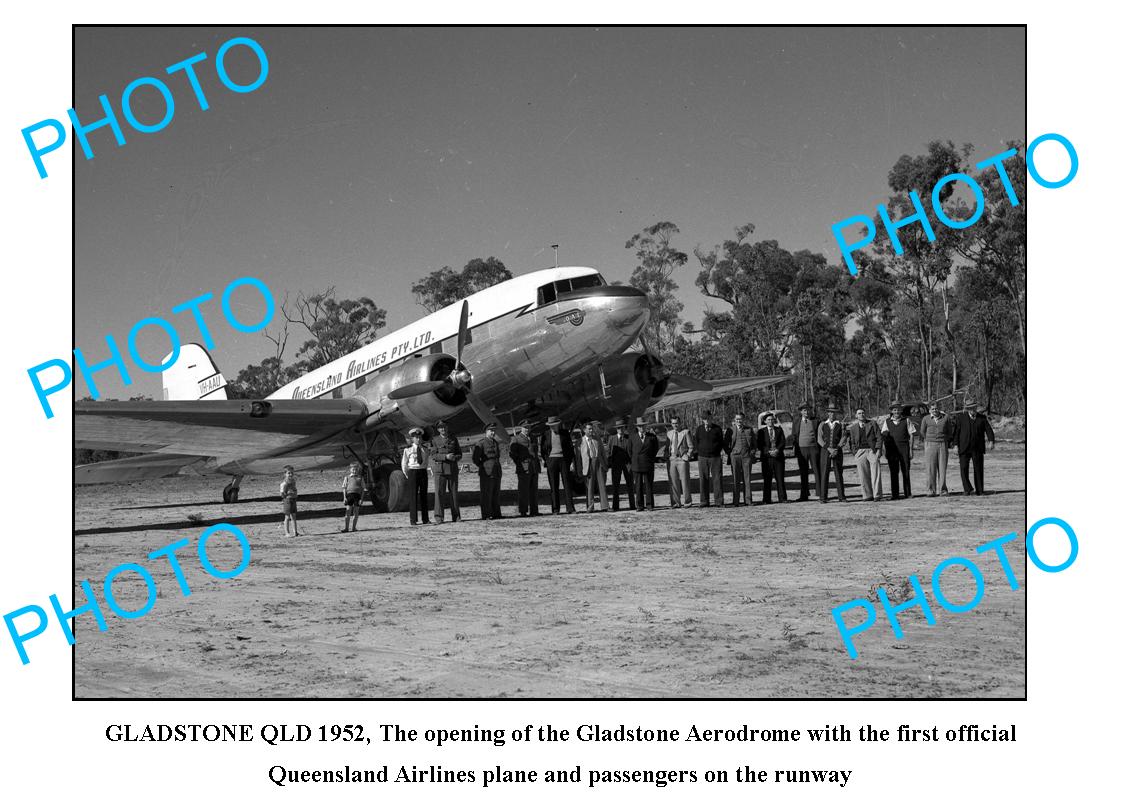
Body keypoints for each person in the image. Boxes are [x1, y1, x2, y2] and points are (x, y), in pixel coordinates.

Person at [949, 401, 995, 495]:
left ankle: (979, 490)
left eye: (974, 408)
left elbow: (988, 430)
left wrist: (991, 441)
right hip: (964, 447)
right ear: (967, 409)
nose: (972, 409)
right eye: (970, 408)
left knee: (978, 469)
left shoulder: (982, 418)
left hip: (977, 448)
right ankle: (967, 489)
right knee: (963, 468)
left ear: (976, 408)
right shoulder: (961, 418)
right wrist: (955, 446)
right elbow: (956, 433)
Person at [540, 416, 575, 514]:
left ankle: (570, 508)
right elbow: (542, 449)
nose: (553, 427)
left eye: (554, 425)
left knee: (567, 484)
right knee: (554, 486)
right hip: (552, 460)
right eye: (551, 426)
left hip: (563, 459)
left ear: (557, 425)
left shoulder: (565, 433)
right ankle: (555, 509)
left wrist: (571, 461)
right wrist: (546, 460)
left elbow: (570, 447)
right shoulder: (545, 435)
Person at [881, 403, 916, 500]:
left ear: (901, 411)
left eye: (898, 410)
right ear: (892, 411)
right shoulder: (887, 422)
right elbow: (884, 437)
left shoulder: (906, 420)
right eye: (894, 410)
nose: (896, 412)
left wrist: (911, 450)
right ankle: (895, 494)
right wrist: (885, 450)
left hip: (904, 448)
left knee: (906, 471)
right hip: (892, 450)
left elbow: (912, 435)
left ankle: (908, 493)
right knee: (893, 472)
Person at [847, 408, 883, 501]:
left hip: (872, 451)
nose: (861, 415)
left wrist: (878, 450)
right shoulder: (853, 428)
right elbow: (851, 442)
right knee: (863, 475)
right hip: (860, 452)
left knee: (875, 473)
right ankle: (867, 495)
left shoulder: (872, 423)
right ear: (856, 415)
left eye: (863, 413)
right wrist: (855, 452)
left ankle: (877, 495)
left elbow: (879, 437)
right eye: (859, 413)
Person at [430, 420, 462, 523]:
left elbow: (459, 454)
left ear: (447, 427)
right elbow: (433, 455)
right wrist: (445, 457)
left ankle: (456, 516)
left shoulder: (453, 439)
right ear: (438, 429)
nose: (443, 429)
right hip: (440, 470)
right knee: (439, 493)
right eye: (440, 428)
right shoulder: (434, 440)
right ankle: (439, 517)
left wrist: (454, 457)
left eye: (444, 427)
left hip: (452, 469)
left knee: (454, 493)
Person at [918, 404, 952, 497]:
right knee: (930, 468)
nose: (935, 410)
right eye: (932, 409)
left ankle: (943, 490)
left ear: (939, 409)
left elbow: (950, 431)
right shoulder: (926, 419)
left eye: (936, 408)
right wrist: (928, 439)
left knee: (942, 468)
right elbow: (922, 431)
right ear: (929, 410)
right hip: (930, 444)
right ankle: (930, 490)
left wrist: (945, 439)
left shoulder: (946, 418)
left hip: (942, 444)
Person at [694, 410, 726, 507]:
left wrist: (717, 451)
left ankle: (719, 501)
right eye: (704, 419)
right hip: (702, 457)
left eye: (708, 418)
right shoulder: (699, 429)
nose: (706, 421)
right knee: (703, 479)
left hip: (715, 457)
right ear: (702, 420)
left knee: (717, 479)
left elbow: (721, 442)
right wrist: (700, 451)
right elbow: (696, 442)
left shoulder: (717, 429)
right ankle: (704, 501)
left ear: (711, 418)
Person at [817, 403, 847, 503]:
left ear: (836, 413)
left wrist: (837, 448)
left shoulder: (841, 424)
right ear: (827, 413)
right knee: (824, 473)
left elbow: (843, 437)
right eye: (830, 412)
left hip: (837, 451)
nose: (832, 414)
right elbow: (819, 439)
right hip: (825, 451)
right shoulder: (822, 424)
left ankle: (841, 497)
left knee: (838, 473)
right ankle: (823, 497)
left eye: (834, 412)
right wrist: (828, 449)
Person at [472, 422, 504, 519]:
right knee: (486, 494)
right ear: (486, 431)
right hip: (487, 472)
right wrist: (483, 466)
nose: (493, 433)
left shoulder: (495, 443)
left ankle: (496, 514)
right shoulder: (481, 443)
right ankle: (486, 514)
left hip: (496, 471)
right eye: (491, 431)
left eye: (494, 431)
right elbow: (475, 459)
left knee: (496, 493)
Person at [791, 403, 821, 502]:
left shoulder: (816, 421)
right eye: (804, 410)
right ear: (801, 412)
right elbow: (794, 435)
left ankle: (821, 493)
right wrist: (794, 448)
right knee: (803, 472)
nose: (806, 412)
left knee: (817, 470)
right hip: (801, 449)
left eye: (808, 410)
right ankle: (804, 495)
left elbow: (820, 435)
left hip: (813, 448)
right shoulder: (796, 421)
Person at [724, 413, 756, 507]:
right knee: (735, 479)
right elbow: (725, 443)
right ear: (734, 420)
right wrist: (730, 453)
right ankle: (736, 501)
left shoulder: (749, 429)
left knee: (747, 479)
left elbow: (754, 443)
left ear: (743, 419)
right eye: (737, 419)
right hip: (735, 457)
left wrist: (752, 453)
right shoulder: (730, 430)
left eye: (740, 419)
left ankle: (748, 500)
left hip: (746, 456)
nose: (739, 421)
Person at [401, 427, 430, 525]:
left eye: (419, 437)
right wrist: (407, 474)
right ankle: (413, 520)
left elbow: (426, 461)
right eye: (416, 437)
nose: (418, 439)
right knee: (413, 496)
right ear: (412, 439)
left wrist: (424, 469)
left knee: (424, 496)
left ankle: (425, 519)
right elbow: (404, 464)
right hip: (413, 472)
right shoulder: (408, 450)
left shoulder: (425, 449)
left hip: (422, 471)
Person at [509, 425, 541, 517]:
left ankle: (534, 510)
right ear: (521, 428)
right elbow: (512, 453)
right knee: (523, 490)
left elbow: (535, 451)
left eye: (529, 428)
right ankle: (523, 511)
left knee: (534, 490)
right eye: (525, 428)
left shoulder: (533, 438)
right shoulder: (516, 439)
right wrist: (519, 462)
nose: (527, 430)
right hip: (524, 467)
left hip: (534, 467)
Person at [756, 412, 788, 503]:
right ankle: (766, 499)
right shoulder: (761, 431)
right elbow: (760, 444)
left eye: (772, 419)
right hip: (767, 458)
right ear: (765, 421)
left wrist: (777, 450)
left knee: (780, 478)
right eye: (768, 420)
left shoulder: (779, 430)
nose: (770, 421)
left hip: (778, 457)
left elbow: (783, 442)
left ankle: (783, 498)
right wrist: (768, 452)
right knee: (767, 479)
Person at [578, 422, 610, 512]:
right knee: (590, 486)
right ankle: (590, 507)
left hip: (599, 462)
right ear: (584, 430)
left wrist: (605, 464)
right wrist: (579, 469)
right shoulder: (580, 441)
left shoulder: (597, 439)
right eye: (589, 429)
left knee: (602, 485)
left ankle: (605, 506)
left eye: (592, 429)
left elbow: (603, 452)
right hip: (588, 464)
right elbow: (578, 457)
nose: (591, 430)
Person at [665, 415, 694, 508]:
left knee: (685, 482)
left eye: (676, 423)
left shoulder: (685, 432)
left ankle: (687, 502)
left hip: (682, 459)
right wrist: (666, 456)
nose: (675, 425)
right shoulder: (669, 433)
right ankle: (676, 503)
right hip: (672, 459)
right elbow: (667, 447)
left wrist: (688, 456)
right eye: (673, 423)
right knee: (673, 482)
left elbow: (691, 447)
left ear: (680, 423)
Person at [607, 421, 635, 511]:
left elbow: (632, 451)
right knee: (615, 486)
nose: (620, 430)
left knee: (630, 485)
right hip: (616, 465)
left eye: (622, 428)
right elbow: (608, 451)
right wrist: (610, 463)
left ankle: (632, 505)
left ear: (625, 428)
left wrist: (631, 462)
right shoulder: (612, 438)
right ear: (616, 429)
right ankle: (615, 506)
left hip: (627, 464)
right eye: (619, 428)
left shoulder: (629, 438)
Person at [632, 418, 659, 510]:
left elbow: (655, 449)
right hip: (637, 465)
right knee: (638, 486)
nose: (642, 428)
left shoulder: (652, 437)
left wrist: (650, 458)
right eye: (640, 426)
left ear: (646, 426)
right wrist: (635, 459)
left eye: (643, 426)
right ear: (637, 427)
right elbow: (629, 451)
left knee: (649, 486)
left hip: (648, 463)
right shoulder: (633, 437)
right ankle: (639, 505)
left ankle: (649, 505)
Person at [341, 462, 364, 532]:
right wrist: (344, 498)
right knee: (348, 512)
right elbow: (344, 488)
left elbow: (363, 489)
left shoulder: (360, 478)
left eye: (356, 469)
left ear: (358, 470)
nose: (354, 471)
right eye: (353, 469)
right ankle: (346, 528)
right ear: (350, 470)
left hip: (357, 496)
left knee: (356, 512)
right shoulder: (347, 478)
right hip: (349, 496)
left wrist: (361, 499)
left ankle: (354, 528)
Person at [279, 465, 299, 537]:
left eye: (292, 473)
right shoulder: (284, 483)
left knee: (294, 516)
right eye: (289, 473)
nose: (291, 474)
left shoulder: (293, 481)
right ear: (285, 474)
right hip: (288, 500)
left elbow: (294, 489)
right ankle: (287, 533)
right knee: (287, 517)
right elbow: (282, 493)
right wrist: (285, 498)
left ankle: (295, 532)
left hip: (293, 500)